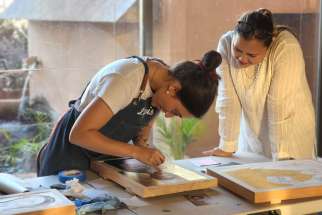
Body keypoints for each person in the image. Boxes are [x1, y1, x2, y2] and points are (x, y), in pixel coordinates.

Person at [38, 51, 222, 176]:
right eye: (175, 111)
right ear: (173, 90)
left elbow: (141, 125)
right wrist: (136, 152)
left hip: (102, 159)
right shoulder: (127, 79)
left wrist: (146, 150)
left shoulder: (162, 84)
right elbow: (79, 134)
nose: (167, 115)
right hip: (69, 154)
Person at [204, 8, 316, 160]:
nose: (242, 59)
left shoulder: (286, 47)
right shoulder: (225, 43)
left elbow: (279, 105)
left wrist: (281, 155)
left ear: (268, 47)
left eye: (251, 55)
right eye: (237, 50)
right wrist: (227, 146)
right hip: (253, 133)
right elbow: (228, 99)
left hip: (290, 132)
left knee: (285, 177)